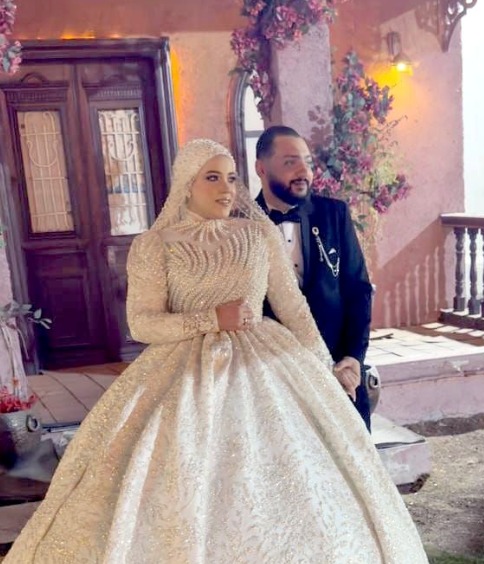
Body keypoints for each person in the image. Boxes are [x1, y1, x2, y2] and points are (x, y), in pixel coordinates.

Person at [5, 139, 428, 563]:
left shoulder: (258, 235)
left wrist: (325, 369)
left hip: (269, 366)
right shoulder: (155, 245)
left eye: (230, 178)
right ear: (187, 184)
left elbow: (295, 310)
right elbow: (143, 323)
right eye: (212, 177)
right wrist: (211, 319)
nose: (226, 188)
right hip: (182, 376)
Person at [255, 125, 374, 429]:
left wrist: (353, 356)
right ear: (261, 169)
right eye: (290, 162)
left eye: (307, 162)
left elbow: (357, 290)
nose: (303, 172)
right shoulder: (241, 225)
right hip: (272, 376)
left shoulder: (334, 214)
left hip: (335, 366)